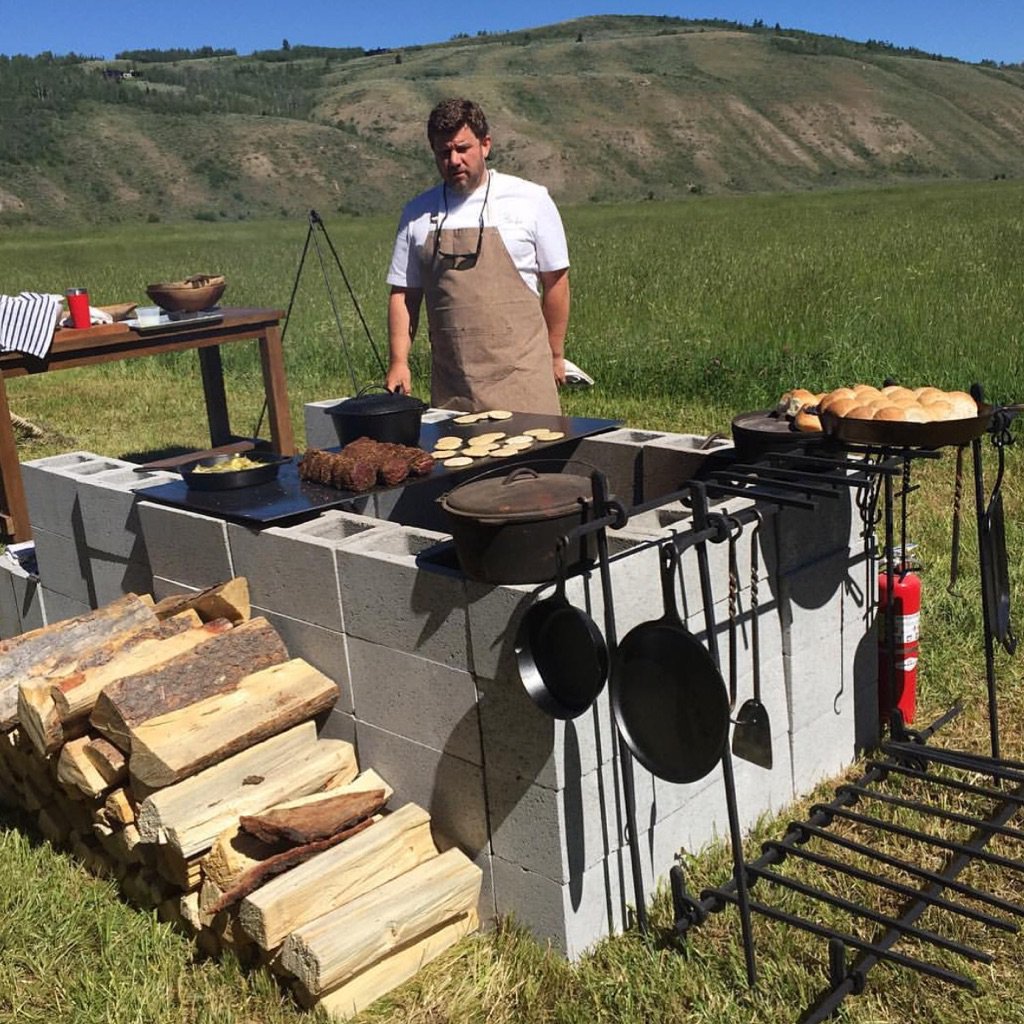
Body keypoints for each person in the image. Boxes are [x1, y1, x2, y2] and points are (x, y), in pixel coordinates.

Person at [385, 98, 570, 414]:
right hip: (454, 386)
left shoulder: (531, 200)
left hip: (524, 378)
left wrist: (555, 355)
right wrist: (399, 361)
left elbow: (556, 282)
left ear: (485, 145)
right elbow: (404, 294)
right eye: (444, 153)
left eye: (462, 149)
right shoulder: (417, 213)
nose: (453, 160)